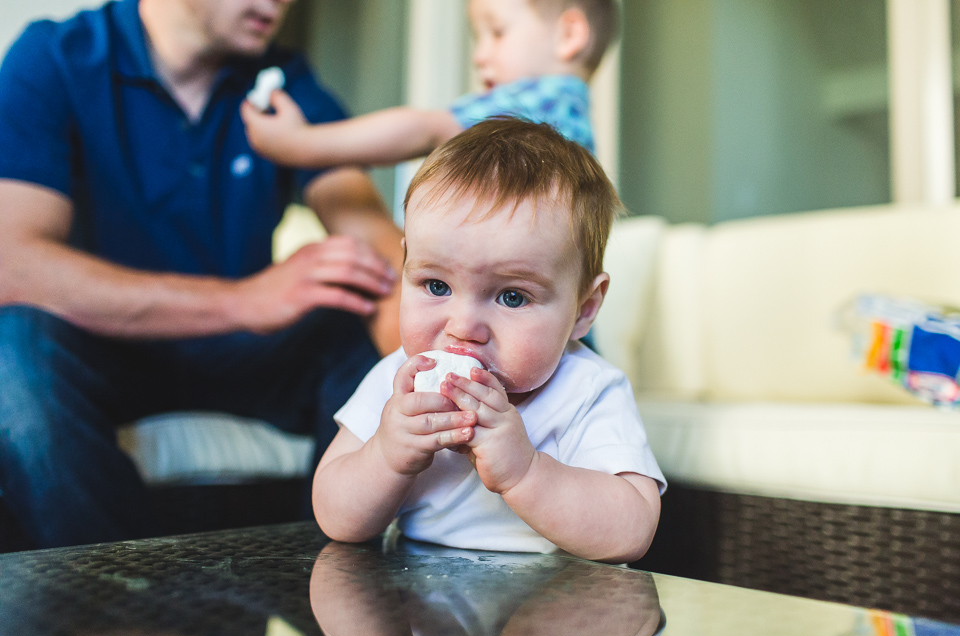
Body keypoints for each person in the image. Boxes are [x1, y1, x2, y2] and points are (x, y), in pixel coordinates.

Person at [0, 0, 404, 551]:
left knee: (353, 323)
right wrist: (243, 300)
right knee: (14, 351)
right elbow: (14, 264)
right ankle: (114, 612)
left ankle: (340, 606)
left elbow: (376, 246)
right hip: (107, 351)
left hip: (249, 359)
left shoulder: (284, 84)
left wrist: (454, 345)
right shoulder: (53, 58)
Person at [312, 117, 666, 564]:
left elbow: (631, 531)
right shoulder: (396, 380)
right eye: (436, 285)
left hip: (558, 606)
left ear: (584, 309)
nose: (463, 327)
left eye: (512, 296)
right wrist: (386, 455)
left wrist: (526, 471)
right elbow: (334, 517)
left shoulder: (588, 391)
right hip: (414, 597)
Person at [239, 0, 618, 169]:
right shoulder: (574, 117)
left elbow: (423, 130)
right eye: (476, 38)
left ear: (569, 35)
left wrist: (298, 145)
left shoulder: (539, 106)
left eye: (497, 33)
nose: (479, 56)